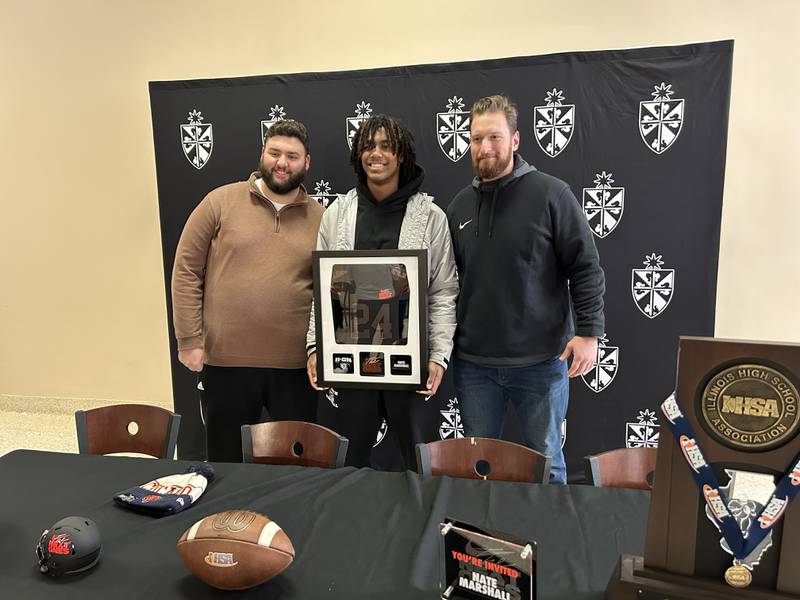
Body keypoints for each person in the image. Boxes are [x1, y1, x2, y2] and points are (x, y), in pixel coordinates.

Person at [446, 95, 605, 483]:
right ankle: (483, 544)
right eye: (477, 138)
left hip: (541, 363)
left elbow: (585, 267)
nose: (485, 148)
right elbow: (448, 285)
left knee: (547, 467)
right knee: (480, 469)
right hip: (474, 366)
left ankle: (551, 543)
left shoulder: (552, 194)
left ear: (515, 140)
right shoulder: (459, 207)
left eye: (495, 137)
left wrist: (589, 333)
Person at [305, 115, 458, 470]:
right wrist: (316, 346)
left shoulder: (430, 217)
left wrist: (437, 356)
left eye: (386, 146)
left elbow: (442, 291)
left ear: (401, 155)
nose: (377, 154)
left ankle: (423, 524)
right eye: (369, 146)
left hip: (410, 364)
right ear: (359, 154)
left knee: (420, 464)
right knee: (352, 463)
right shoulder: (338, 215)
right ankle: (354, 526)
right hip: (353, 363)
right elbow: (324, 290)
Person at [172, 119, 323, 462]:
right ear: (262, 154)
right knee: (226, 464)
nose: (282, 163)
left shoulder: (321, 218)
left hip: (297, 370)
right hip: (227, 365)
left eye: (292, 156)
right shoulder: (219, 203)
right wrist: (189, 339)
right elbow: (186, 271)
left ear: (307, 163)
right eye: (274, 153)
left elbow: (331, 291)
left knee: (296, 466)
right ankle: (227, 518)